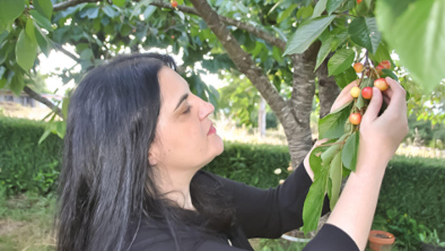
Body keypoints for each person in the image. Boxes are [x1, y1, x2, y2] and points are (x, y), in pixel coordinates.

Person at [56, 53, 408, 251]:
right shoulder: (155, 245)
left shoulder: (194, 189)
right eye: (184, 109)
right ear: (144, 148)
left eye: (193, 95)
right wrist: (371, 163)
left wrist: (335, 135)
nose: (206, 106)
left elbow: (278, 209)